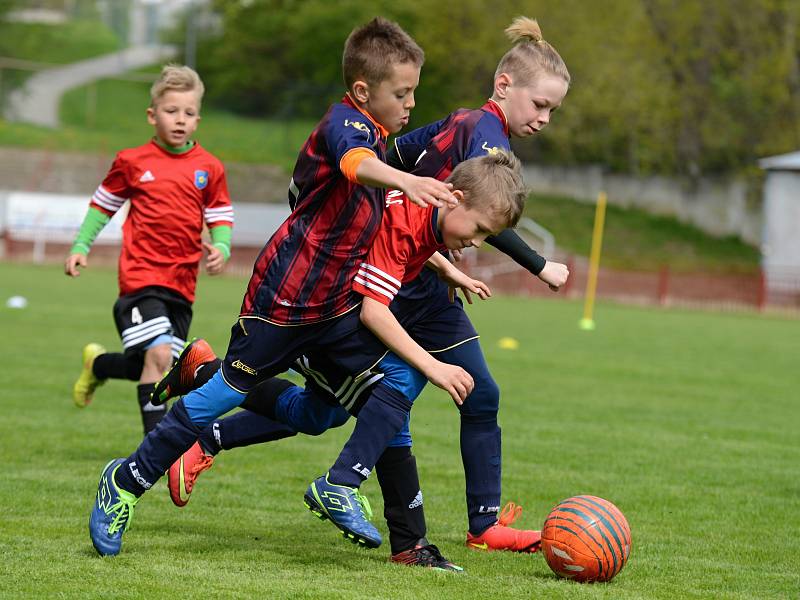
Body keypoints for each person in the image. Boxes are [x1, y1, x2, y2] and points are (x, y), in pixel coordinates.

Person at [162, 16, 570, 559]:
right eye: (539, 104)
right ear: (504, 86)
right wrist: (540, 265)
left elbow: (398, 172)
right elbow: (477, 210)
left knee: (346, 408)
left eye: (552, 111)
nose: (543, 118)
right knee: (378, 395)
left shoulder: (456, 125)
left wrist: (440, 259)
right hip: (390, 281)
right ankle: (370, 506)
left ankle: (475, 525)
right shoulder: (485, 138)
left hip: (421, 273)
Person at [87, 16, 458, 558]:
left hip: (337, 310)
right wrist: (409, 181)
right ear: (362, 91)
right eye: (401, 93)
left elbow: (401, 177)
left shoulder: (380, 135)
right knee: (220, 399)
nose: (410, 105)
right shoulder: (344, 126)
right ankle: (126, 481)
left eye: (413, 93)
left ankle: (404, 538)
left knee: (368, 398)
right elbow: (358, 166)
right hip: (283, 302)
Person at [65, 64, 233, 436]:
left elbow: (220, 214)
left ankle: (99, 366)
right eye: (171, 111)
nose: (180, 120)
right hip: (140, 279)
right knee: (158, 357)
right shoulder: (132, 162)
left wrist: (221, 245)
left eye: (189, 113)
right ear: (152, 115)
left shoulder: (209, 168)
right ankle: (155, 451)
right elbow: (102, 205)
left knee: (159, 366)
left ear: (198, 119)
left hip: (182, 284)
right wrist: (81, 245)